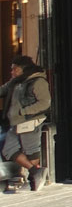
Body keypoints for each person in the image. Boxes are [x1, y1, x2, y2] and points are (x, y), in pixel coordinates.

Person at [1, 56, 50, 193]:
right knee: (8, 150)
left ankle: (33, 181)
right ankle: (36, 172)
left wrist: (24, 111)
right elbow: (2, 90)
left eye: (14, 69)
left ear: (23, 69)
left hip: (29, 122)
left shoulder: (38, 81)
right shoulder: (15, 82)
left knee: (31, 152)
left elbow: (44, 103)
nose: (12, 72)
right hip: (15, 122)